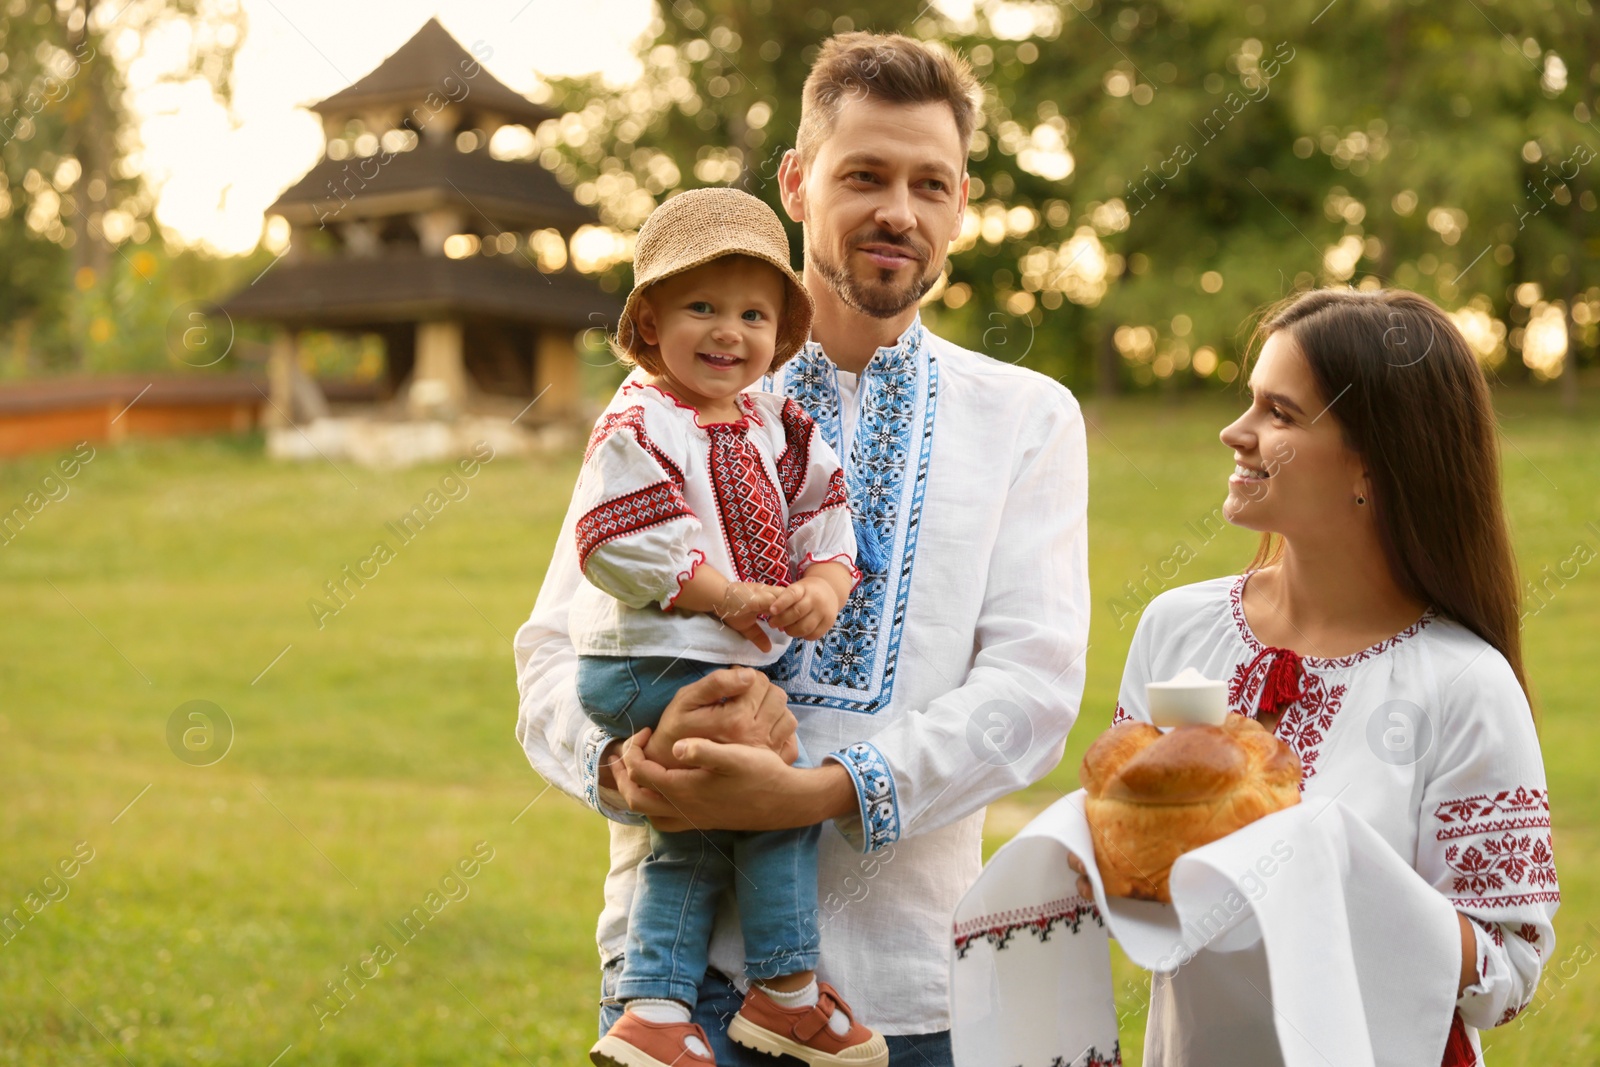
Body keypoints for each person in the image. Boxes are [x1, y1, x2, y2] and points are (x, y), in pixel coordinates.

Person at [514, 31, 1090, 1066]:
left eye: (930, 183)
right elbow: (553, 654)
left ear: (962, 200)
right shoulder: (666, 399)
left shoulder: (1026, 418)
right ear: (795, 182)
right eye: (863, 174)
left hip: (908, 986)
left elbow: (1033, 691)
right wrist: (626, 762)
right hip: (674, 995)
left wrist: (824, 790)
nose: (897, 212)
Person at [1070, 288, 1557, 1066]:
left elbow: (1510, 971)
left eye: (1280, 413)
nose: (1236, 431)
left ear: (1373, 460)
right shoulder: (1179, 628)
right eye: (1248, 403)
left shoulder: (1464, 683)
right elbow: (1131, 872)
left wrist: (1335, 866)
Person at [572, 186, 884, 1066]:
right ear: (649, 325)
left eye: (753, 313)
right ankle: (783, 988)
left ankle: (656, 1010)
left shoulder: (777, 422)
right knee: (766, 786)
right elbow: (619, 541)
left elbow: (829, 515)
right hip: (651, 656)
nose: (728, 331)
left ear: (779, 336)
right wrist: (726, 595)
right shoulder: (641, 420)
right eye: (701, 306)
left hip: (700, 652)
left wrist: (821, 585)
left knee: (703, 816)